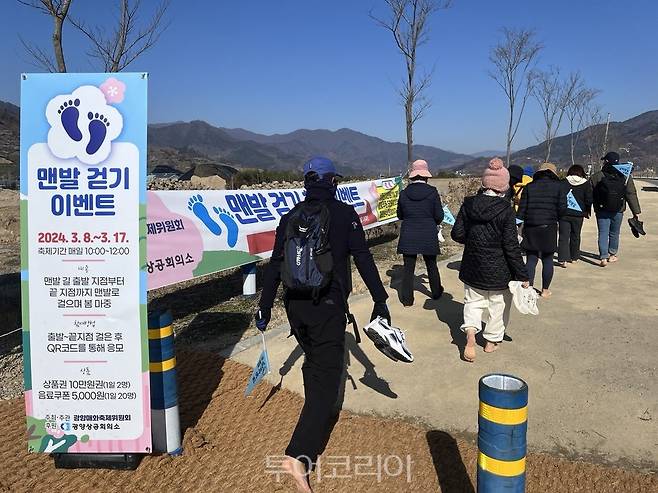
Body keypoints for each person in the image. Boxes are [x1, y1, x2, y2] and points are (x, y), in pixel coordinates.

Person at [255, 157, 390, 493]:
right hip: (328, 305)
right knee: (328, 380)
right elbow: (363, 258)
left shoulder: (289, 217)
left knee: (315, 360)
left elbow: (275, 266)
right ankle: (298, 456)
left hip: (295, 307)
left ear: (306, 183)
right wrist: (380, 299)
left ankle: (316, 414)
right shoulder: (345, 215)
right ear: (333, 182)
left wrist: (264, 308)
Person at [451, 158, 529, 362]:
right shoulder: (506, 210)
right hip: (499, 269)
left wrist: (475, 239)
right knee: (499, 305)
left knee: (472, 303)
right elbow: (511, 246)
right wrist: (522, 274)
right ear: (504, 186)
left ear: (484, 183)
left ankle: (470, 335)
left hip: (472, 265)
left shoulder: (468, 204)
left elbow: (457, 234)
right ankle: (491, 341)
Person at [396, 159, 444, 306]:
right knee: (431, 265)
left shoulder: (404, 193)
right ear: (426, 176)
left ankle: (407, 299)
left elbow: (400, 215)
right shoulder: (433, 192)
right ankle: (436, 292)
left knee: (408, 268)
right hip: (428, 233)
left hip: (409, 233)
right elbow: (439, 216)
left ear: (413, 176)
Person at [517, 162, 566, 298]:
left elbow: (522, 210)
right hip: (549, 227)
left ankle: (529, 287)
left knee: (531, 259)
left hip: (531, 227)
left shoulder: (529, 187)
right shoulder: (559, 187)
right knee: (547, 259)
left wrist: (517, 224)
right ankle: (545, 290)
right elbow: (562, 209)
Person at [589, 151, 642, 267]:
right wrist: (636, 212)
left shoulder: (597, 176)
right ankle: (612, 255)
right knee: (614, 232)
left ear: (606, 161)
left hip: (601, 209)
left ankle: (603, 257)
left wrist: (588, 208)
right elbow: (631, 194)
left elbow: (590, 194)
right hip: (618, 209)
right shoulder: (625, 176)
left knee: (603, 232)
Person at [557, 165, 593, 267]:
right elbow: (589, 199)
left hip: (564, 213)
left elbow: (558, 196)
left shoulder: (563, 182)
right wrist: (586, 210)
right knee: (576, 235)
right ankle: (574, 257)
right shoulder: (585, 184)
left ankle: (562, 259)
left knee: (563, 236)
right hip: (579, 215)